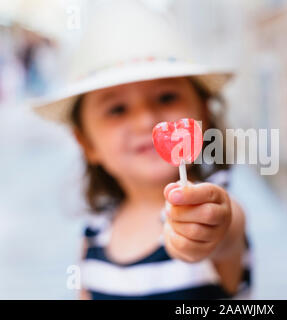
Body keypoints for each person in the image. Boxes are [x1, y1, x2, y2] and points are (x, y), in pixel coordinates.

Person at [33, 0, 251, 299]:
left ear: (203, 116)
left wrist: (206, 232)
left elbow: (226, 232)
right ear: (88, 144)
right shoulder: (95, 232)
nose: (146, 120)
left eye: (166, 97)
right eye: (117, 109)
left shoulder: (215, 206)